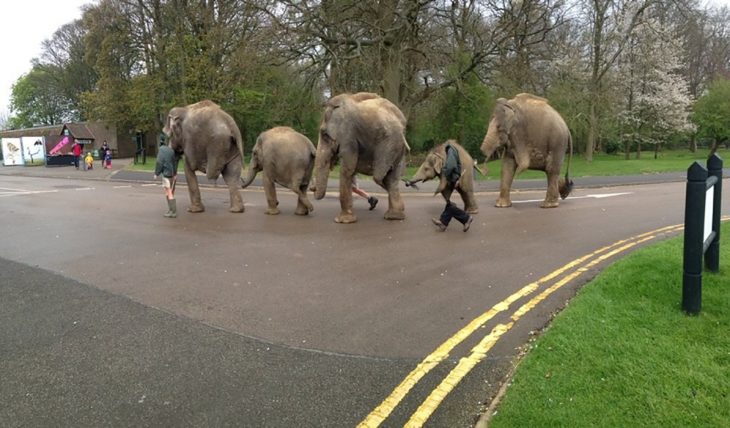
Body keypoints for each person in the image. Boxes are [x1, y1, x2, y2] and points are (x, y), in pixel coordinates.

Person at [431, 143, 474, 232]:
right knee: (449, 203)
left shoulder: (450, 150)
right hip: (453, 178)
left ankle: (467, 218)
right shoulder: (451, 151)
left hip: (452, 179)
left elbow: (451, 165)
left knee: (450, 204)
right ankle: (443, 223)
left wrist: (444, 173)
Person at [154, 141, 178, 218]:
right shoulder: (171, 151)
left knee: (169, 192)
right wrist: (175, 173)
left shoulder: (161, 150)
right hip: (171, 174)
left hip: (166, 175)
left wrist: (156, 173)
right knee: (168, 192)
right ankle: (170, 210)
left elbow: (159, 162)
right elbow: (174, 163)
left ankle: (173, 212)